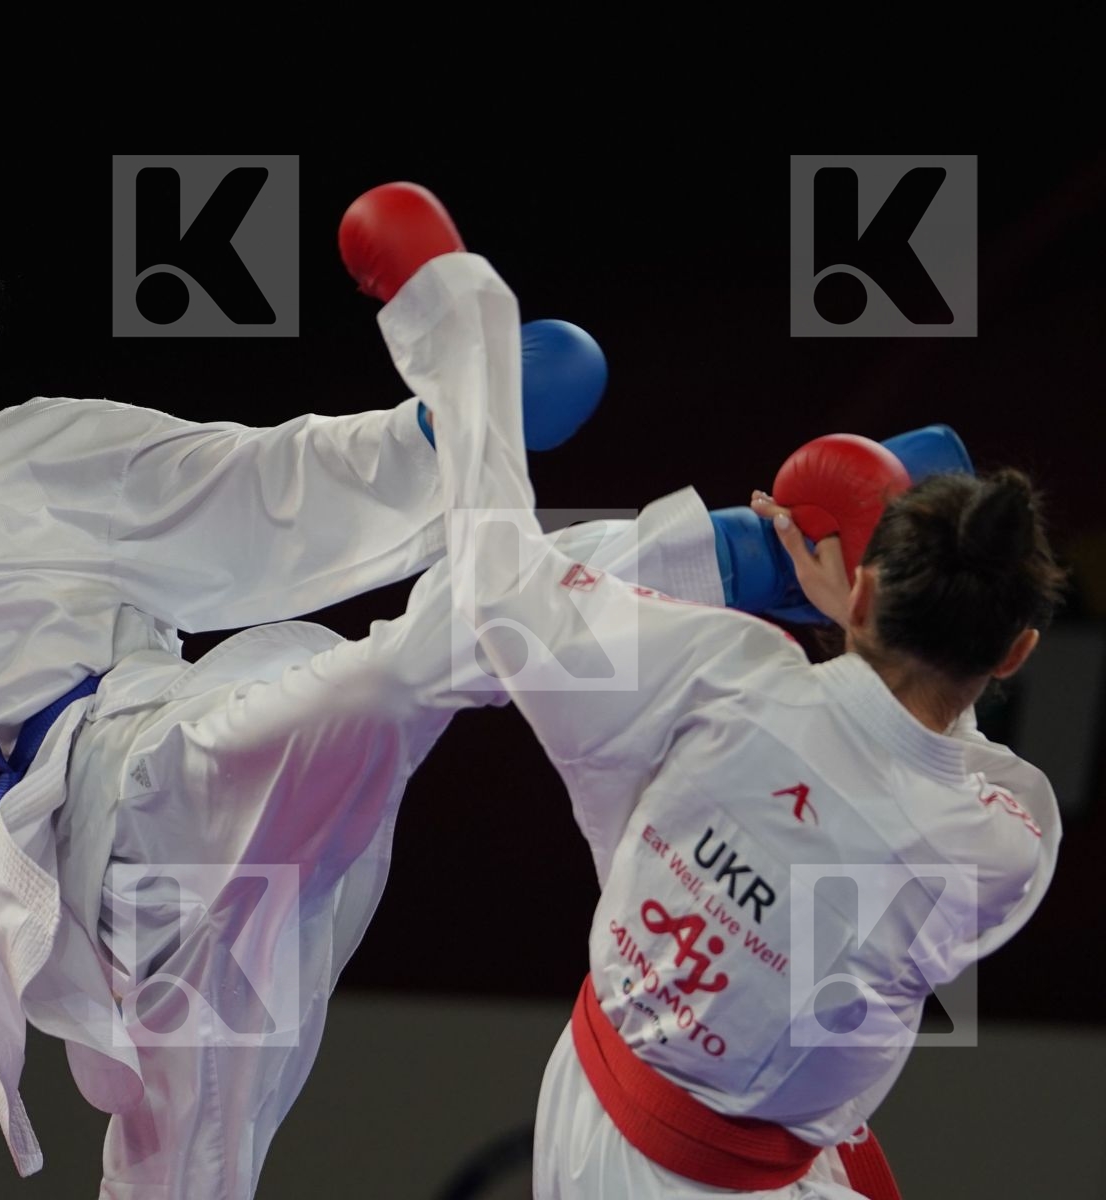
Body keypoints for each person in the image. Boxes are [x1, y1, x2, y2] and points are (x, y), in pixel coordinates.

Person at [0, 202, 745, 1198]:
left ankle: (705, 550)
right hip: (108, 877)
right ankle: (678, 556)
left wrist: (425, 438)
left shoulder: (45, 449)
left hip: (165, 756)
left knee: (381, 679)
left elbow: (248, 479)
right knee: (177, 1167)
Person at [341, 184, 1065, 1198]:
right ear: (1018, 652)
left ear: (855, 595)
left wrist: (454, 312)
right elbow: (931, 743)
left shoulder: (724, 678)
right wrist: (860, 621)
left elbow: (506, 585)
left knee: (545, 641)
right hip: (766, 1155)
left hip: (616, 1124)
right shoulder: (1011, 839)